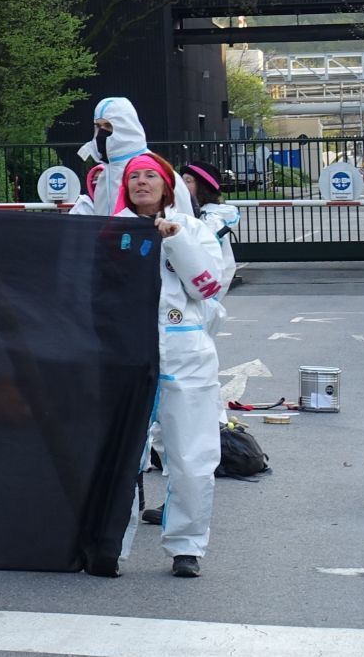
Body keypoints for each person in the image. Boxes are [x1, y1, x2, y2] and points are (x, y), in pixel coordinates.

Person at [116, 153, 230, 578]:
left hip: (185, 357)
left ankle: (186, 546)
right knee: (121, 454)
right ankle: (112, 541)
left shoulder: (194, 229)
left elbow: (208, 285)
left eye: (150, 176)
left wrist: (175, 239)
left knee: (191, 455)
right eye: (134, 177)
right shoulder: (112, 231)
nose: (142, 183)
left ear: (167, 186)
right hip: (127, 356)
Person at [68, 97, 193, 219]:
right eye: (98, 126)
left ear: (125, 126)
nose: (102, 132)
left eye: (108, 125)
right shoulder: (105, 176)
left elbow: (186, 223)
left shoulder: (159, 171)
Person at [181, 164, 240, 275]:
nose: (182, 186)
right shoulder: (187, 213)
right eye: (181, 181)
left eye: (188, 181)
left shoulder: (210, 220)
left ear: (203, 187)